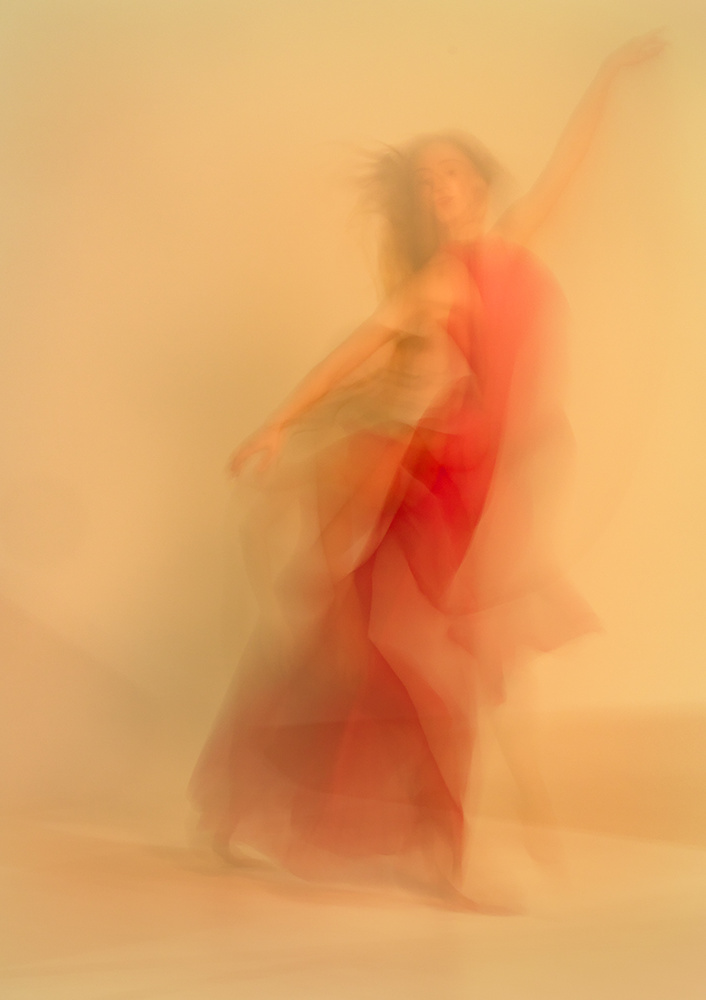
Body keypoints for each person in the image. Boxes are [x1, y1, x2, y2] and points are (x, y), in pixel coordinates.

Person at [190, 32, 666, 910]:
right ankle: (441, 856)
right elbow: (352, 352)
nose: (441, 188)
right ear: (426, 204)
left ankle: (258, 798)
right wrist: (278, 423)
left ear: (481, 183)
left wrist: (606, 76)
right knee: (422, 667)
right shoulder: (440, 284)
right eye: (427, 181)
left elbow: (570, 164)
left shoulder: (516, 241)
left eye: (452, 173)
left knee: (380, 664)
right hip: (436, 485)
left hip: (489, 489)